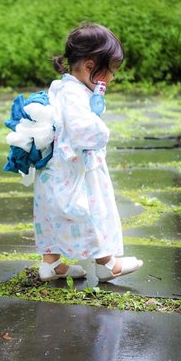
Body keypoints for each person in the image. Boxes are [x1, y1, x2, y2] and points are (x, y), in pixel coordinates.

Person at [34, 23, 143, 282]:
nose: (112, 77)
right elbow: (83, 131)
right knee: (93, 214)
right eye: (111, 70)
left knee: (55, 216)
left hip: (57, 173)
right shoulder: (73, 94)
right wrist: (102, 131)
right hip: (77, 174)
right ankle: (108, 264)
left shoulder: (64, 87)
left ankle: (52, 265)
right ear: (90, 66)